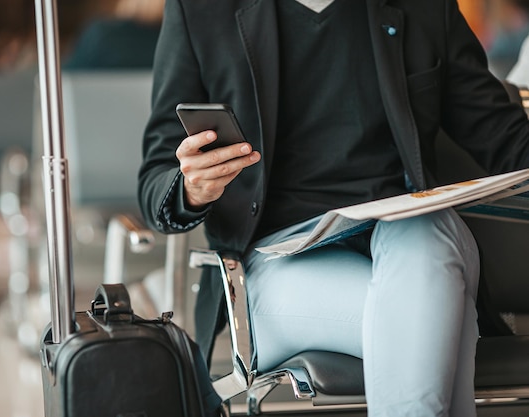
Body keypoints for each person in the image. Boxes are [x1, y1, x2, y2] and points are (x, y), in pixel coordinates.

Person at [137, 0, 529, 416]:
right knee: (440, 309)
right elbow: (154, 183)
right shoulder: (202, 10)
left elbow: (503, 137)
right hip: (276, 261)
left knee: (427, 238)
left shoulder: (422, 6)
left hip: (410, 236)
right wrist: (193, 188)